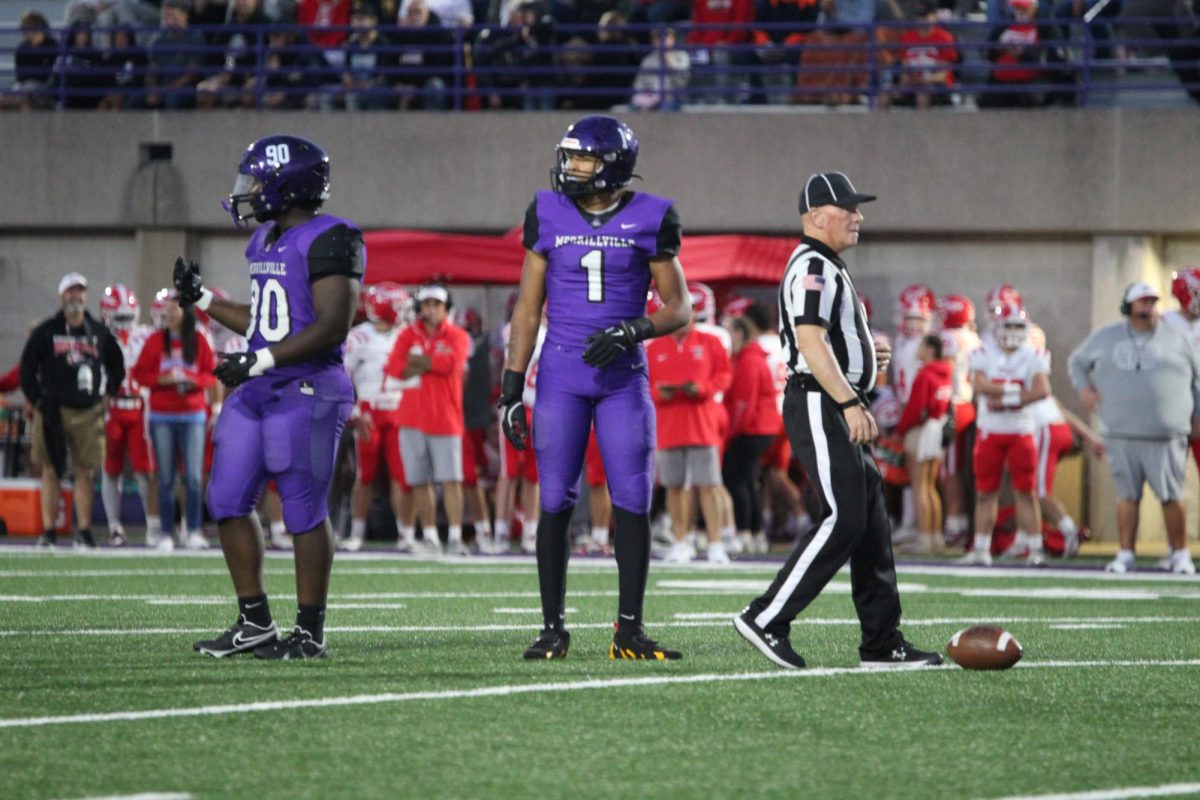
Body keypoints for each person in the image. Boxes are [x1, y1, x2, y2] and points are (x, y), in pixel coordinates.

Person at [500, 115, 691, 661]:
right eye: (571, 157)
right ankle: (552, 628)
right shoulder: (547, 211)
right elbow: (528, 309)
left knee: (631, 498)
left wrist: (634, 328)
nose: (572, 167)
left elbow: (681, 307)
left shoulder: (652, 215)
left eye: (582, 158)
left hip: (622, 378)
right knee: (555, 499)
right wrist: (512, 389)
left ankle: (628, 630)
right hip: (560, 373)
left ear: (613, 165)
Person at [734, 171, 942, 670]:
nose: (858, 216)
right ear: (816, 217)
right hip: (820, 401)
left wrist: (867, 355)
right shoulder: (814, 265)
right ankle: (766, 617)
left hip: (830, 398)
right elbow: (809, 340)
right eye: (847, 208)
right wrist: (850, 401)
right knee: (844, 515)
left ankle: (882, 641)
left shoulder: (824, 264)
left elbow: (825, 339)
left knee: (870, 521)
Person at [175, 134, 363, 659]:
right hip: (260, 385)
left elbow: (331, 326)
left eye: (258, 181)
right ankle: (254, 621)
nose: (250, 192)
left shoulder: (334, 237)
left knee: (302, 507)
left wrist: (257, 360)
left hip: (308, 387)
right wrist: (205, 299)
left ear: (288, 184)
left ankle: (309, 631)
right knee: (226, 499)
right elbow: (264, 319)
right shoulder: (263, 241)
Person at [1068, 282, 1200, 575]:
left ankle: (1179, 554)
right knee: (1127, 496)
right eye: (1143, 303)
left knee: (1172, 496)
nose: (1149, 309)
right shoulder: (1106, 337)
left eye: (1152, 303)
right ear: (1128, 307)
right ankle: (1126, 553)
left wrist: (1197, 417)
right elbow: (1076, 362)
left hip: (1166, 433)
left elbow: (1197, 379)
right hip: (1121, 431)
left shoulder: (1178, 337)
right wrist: (1084, 389)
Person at [20, 273, 126, 549]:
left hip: (88, 412)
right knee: (51, 470)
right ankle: (48, 530)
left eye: (79, 291)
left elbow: (118, 365)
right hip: (52, 411)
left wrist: (108, 393)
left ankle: (84, 530)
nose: (75, 297)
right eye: (70, 292)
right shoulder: (46, 332)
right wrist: (38, 400)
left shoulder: (98, 332)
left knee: (85, 471)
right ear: (61, 296)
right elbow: (27, 369)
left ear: (85, 296)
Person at [957, 301, 1050, 566]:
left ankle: (1035, 549)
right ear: (996, 327)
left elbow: (1042, 390)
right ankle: (982, 549)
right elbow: (979, 386)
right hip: (991, 432)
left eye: (1017, 325)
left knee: (1026, 491)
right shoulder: (983, 352)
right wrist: (1017, 391)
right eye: (1007, 325)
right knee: (985, 492)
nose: (1012, 330)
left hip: (1021, 431)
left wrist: (1005, 397)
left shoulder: (1033, 354)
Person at [383, 284, 471, 555]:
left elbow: (452, 366)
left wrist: (419, 360)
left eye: (437, 305)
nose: (431, 310)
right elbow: (395, 368)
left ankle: (455, 536)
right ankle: (431, 536)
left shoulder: (457, 335)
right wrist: (431, 361)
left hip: (445, 417)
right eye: (427, 304)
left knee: (451, 479)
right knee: (419, 480)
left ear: (446, 308)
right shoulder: (407, 334)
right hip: (411, 417)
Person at [646, 298, 733, 564]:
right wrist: (659, 393)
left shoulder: (710, 342)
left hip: (702, 424)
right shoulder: (654, 347)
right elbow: (643, 384)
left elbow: (725, 376)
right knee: (673, 486)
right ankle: (681, 539)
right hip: (669, 425)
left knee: (709, 485)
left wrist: (703, 388)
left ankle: (716, 543)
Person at [132, 289, 217, 551]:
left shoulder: (200, 340)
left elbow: (211, 373)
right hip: (162, 415)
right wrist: (162, 380)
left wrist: (195, 382)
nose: (168, 314)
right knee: (166, 476)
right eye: (166, 309)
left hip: (192, 414)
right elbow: (139, 374)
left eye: (173, 309)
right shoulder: (156, 341)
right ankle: (166, 532)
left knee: (192, 476)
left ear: (185, 312)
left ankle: (192, 530)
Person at [342, 282, 413, 551]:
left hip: (399, 409)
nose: (404, 311)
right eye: (398, 305)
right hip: (369, 411)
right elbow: (343, 376)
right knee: (365, 475)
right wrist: (354, 410)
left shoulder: (406, 333)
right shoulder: (359, 336)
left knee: (402, 476)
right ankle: (357, 532)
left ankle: (406, 534)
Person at [98, 284, 158, 547]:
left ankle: (152, 525)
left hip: (139, 407)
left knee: (145, 470)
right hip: (112, 408)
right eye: (118, 317)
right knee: (111, 469)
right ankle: (114, 526)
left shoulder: (146, 335)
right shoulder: (99, 337)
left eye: (127, 317)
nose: (123, 323)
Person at [722, 315, 782, 552]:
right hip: (763, 427)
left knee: (736, 480)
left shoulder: (749, 361)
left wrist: (731, 433)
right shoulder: (752, 358)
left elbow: (743, 404)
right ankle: (755, 532)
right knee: (747, 480)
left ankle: (745, 531)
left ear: (739, 333)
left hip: (753, 429)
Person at [894, 333, 953, 555]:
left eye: (921, 346)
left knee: (919, 487)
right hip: (936, 429)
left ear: (930, 349)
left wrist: (901, 430)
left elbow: (915, 408)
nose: (917, 350)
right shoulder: (945, 372)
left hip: (921, 432)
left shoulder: (925, 374)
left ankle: (924, 538)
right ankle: (935, 536)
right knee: (930, 486)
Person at [145, 0, 208, 110]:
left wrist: (169, 89)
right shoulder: (159, 40)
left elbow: (192, 73)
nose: (169, 19)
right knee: (135, 99)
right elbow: (152, 70)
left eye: (173, 15)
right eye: (166, 16)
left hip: (184, 88)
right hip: (162, 87)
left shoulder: (195, 39)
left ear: (184, 15)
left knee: (172, 99)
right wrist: (153, 89)